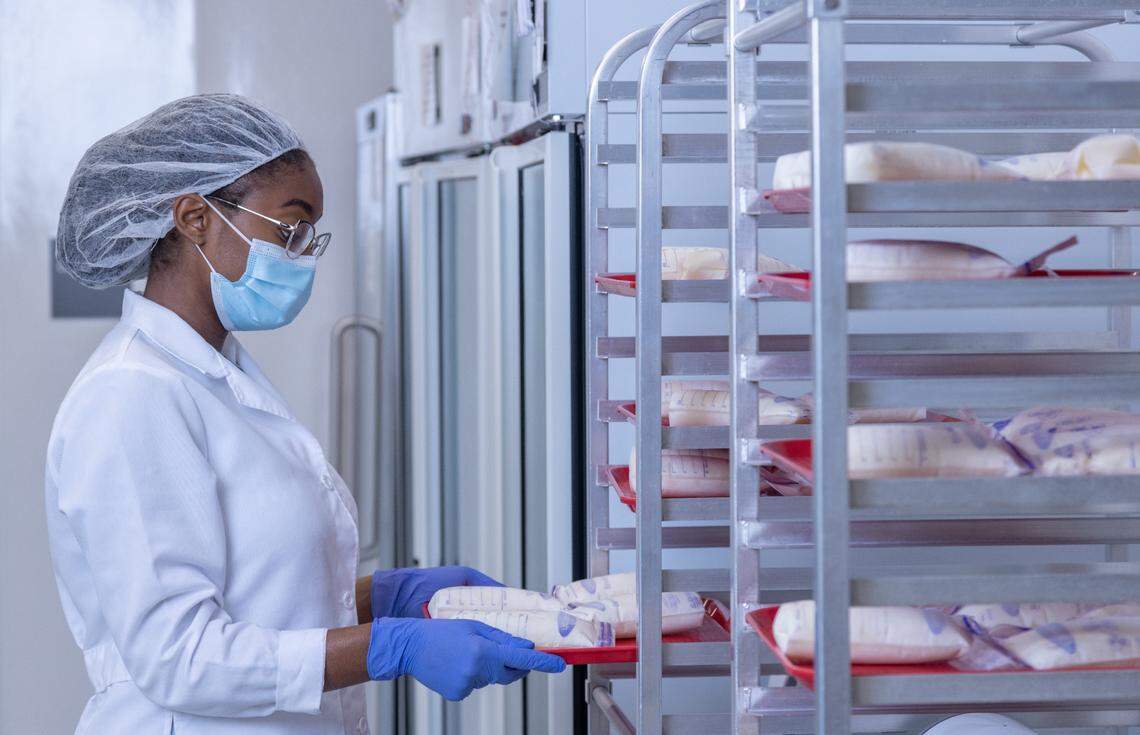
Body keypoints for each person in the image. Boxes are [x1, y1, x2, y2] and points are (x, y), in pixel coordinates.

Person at [45, 94, 564, 734]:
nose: (302, 254)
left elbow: (263, 598)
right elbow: (180, 658)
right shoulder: (129, 395)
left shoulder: (218, 376)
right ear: (194, 218)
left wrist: (385, 599)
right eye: (290, 229)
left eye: (309, 235)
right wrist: (389, 647)